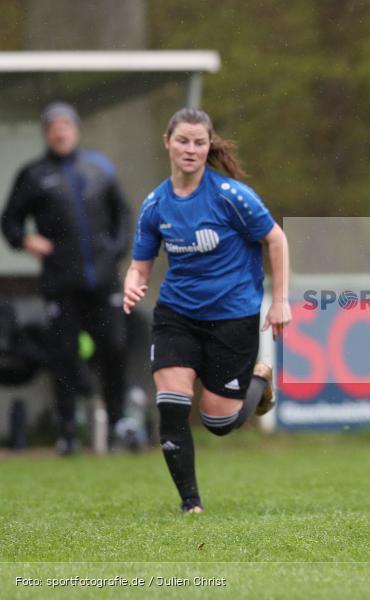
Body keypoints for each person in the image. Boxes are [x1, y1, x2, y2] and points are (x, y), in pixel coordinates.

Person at [123, 108, 290, 513]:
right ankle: (190, 503)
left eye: (199, 142)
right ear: (168, 142)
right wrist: (132, 281)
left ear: (208, 145)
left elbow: (277, 239)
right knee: (172, 404)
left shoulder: (232, 197)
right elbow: (140, 264)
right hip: (176, 315)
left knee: (219, 423)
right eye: (183, 141)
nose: (191, 149)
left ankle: (259, 381)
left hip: (232, 316)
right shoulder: (155, 204)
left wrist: (281, 299)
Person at [2, 102, 130, 455]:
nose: (60, 132)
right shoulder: (34, 175)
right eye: (54, 127)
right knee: (63, 356)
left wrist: (115, 249)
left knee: (114, 349)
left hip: (103, 283)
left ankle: (117, 423)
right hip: (61, 284)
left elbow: (123, 214)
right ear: (47, 133)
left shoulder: (100, 168)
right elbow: (10, 221)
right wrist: (26, 240)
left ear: (75, 129)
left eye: (66, 126)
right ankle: (68, 431)